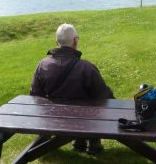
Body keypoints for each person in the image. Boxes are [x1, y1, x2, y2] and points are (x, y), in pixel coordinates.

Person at [30, 23, 114, 154]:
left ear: (56, 42)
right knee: (96, 103)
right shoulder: (86, 67)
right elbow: (103, 96)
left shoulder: (42, 65)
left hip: (52, 118)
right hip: (83, 120)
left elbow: (35, 95)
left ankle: (78, 141)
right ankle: (93, 141)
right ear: (75, 41)